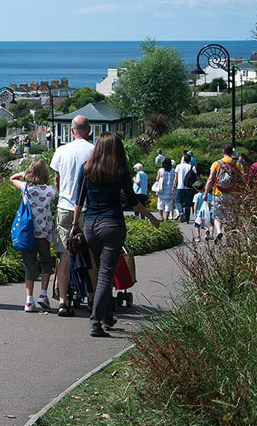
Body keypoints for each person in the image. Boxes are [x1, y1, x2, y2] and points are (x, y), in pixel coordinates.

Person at [72, 133, 160, 338]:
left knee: (102, 271)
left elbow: (79, 200)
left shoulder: (86, 168)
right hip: (112, 224)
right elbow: (132, 201)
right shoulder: (120, 171)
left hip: (91, 225)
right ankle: (95, 322)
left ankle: (107, 316)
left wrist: (75, 224)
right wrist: (151, 218)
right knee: (105, 274)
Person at [50, 115, 95, 317]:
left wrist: (61, 195)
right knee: (90, 254)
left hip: (65, 207)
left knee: (64, 255)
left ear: (71, 130)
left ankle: (63, 301)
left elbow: (57, 179)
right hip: (88, 209)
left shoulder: (61, 151)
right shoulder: (94, 151)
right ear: (89, 130)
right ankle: (93, 298)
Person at [10, 160, 56, 312]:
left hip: (27, 233)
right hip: (43, 234)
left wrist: (24, 174)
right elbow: (57, 203)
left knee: (29, 265)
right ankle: (43, 294)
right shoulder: (50, 190)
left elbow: (12, 178)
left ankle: (29, 300)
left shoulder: (26, 188)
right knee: (47, 263)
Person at [205, 144, 243, 243]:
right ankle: (230, 240)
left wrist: (205, 193)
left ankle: (218, 231)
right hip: (232, 193)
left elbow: (210, 179)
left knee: (218, 216)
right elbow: (242, 179)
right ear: (232, 153)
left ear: (223, 152)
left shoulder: (216, 163)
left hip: (218, 193)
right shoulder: (237, 164)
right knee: (231, 216)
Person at [175, 153, 196, 224]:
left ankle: (181, 212)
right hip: (189, 187)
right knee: (188, 204)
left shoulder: (178, 166)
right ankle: (187, 219)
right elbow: (195, 177)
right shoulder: (192, 167)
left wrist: (174, 186)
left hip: (180, 187)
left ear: (183, 159)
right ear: (190, 160)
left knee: (179, 201)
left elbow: (176, 178)